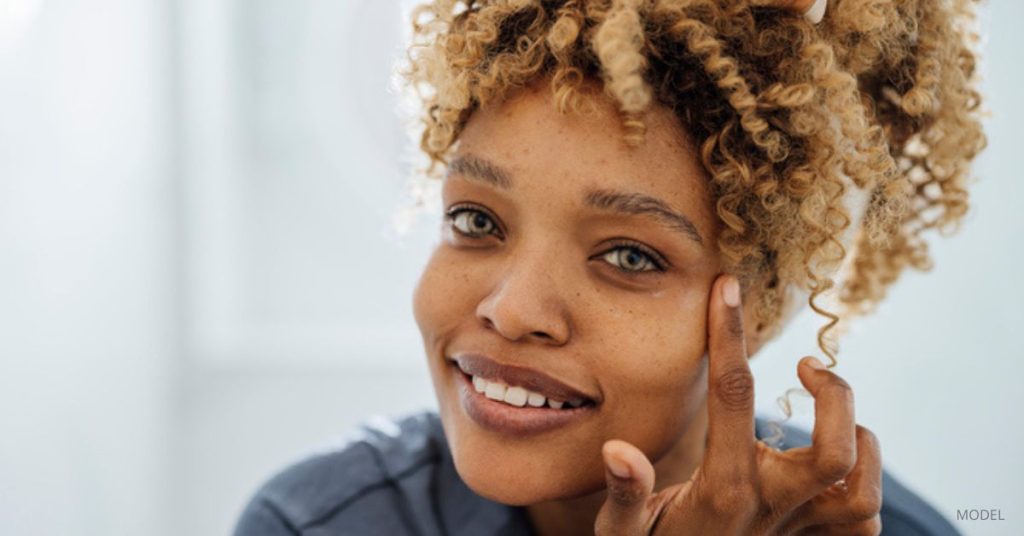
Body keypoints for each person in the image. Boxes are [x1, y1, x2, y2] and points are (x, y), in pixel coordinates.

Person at [233, 0, 985, 534]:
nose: (513, 309)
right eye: (476, 221)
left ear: (758, 307)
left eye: (628, 255)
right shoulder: (321, 521)